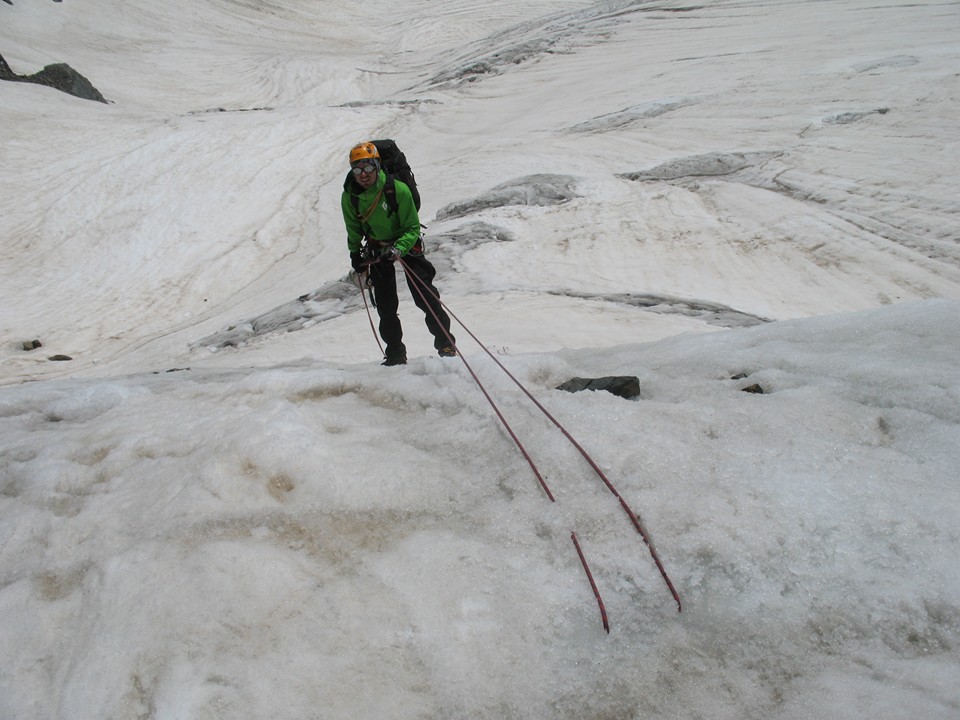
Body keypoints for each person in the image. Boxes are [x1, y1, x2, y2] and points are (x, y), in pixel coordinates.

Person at [341, 141, 456, 366]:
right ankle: (395, 354)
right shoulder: (350, 197)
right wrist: (355, 254)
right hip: (377, 248)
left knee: (426, 297)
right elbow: (352, 228)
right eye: (357, 169)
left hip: (406, 244)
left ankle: (446, 345)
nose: (363, 174)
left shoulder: (397, 189)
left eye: (367, 168)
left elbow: (412, 228)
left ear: (377, 166)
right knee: (386, 306)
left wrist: (399, 249)